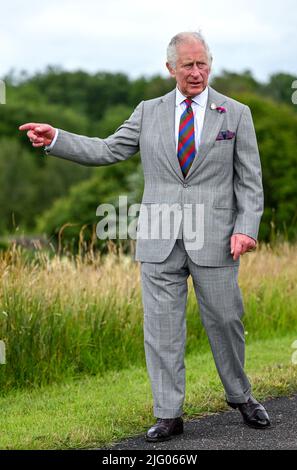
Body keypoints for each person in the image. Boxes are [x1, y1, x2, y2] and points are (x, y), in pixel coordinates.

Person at [19, 31, 270, 442]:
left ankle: (241, 395)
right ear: (170, 68)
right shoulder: (148, 111)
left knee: (226, 320)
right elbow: (106, 149)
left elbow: (250, 180)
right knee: (161, 329)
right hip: (158, 237)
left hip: (217, 237)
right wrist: (58, 139)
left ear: (210, 63)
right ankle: (168, 414)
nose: (196, 71)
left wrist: (246, 227)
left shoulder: (236, 113)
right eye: (187, 65)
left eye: (202, 63)